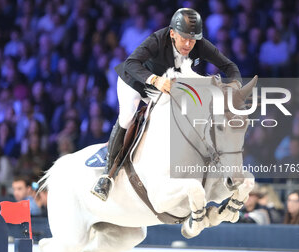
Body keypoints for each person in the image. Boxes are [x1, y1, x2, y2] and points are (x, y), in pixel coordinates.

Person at [92, 8, 242, 201]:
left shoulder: (200, 44)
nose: (188, 44)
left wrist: (236, 85)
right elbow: (131, 63)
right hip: (135, 82)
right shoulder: (158, 39)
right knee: (128, 116)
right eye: (184, 38)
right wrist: (154, 80)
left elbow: (230, 66)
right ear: (172, 33)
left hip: (165, 86)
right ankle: (107, 175)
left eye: (193, 39)